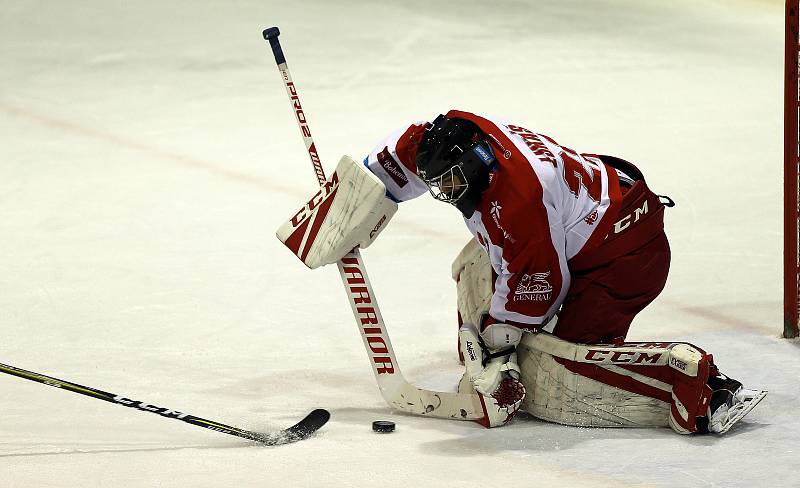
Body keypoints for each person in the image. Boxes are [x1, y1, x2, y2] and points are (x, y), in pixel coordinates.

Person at [276, 109, 766, 433]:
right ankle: (496, 359)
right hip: (589, 222)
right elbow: (385, 168)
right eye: (437, 182)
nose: (445, 192)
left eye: (452, 181)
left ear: (480, 161)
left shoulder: (516, 200)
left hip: (623, 258)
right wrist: (340, 212)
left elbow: (539, 287)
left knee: (547, 376)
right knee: (474, 262)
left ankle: (691, 381)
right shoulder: (445, 138)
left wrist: (494, 346)